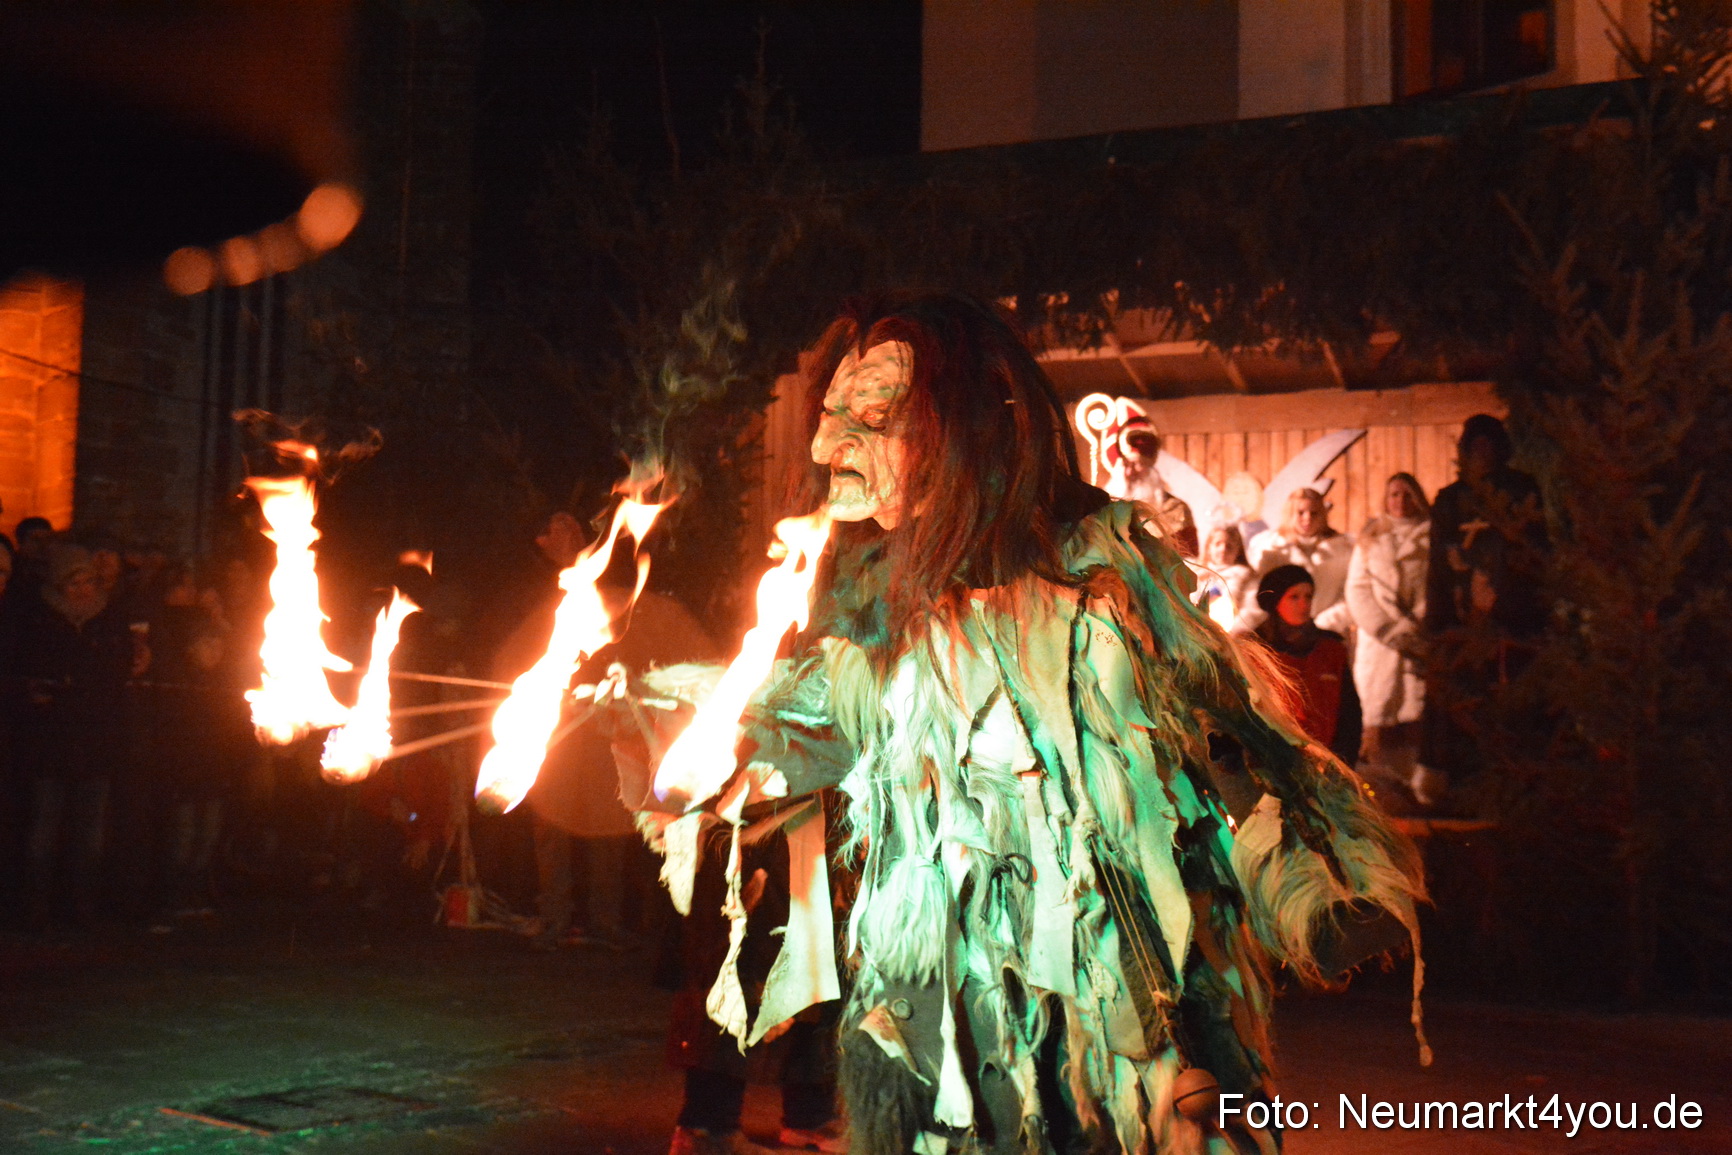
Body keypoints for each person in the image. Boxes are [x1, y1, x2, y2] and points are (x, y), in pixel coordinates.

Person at [628, 292, 1425, 1155]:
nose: (827, 447)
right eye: (828, 417)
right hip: (941, 1011)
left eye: (871, 418)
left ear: (963, 428)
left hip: (1109, 1005)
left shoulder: (1094, 581)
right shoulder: (876, 606)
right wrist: (694, 732)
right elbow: (826, 727)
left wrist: (1308, 873)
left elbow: (1219, 730)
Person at [2, 543, 143, 927]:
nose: (83, 589)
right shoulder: (38, 620)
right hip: (49, 745)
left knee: (90, 832)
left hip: (95, 744)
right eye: (74, 581)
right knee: (43, 831)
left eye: (88, 580)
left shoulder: (108, 620)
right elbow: (25, 675)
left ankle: (82, 909)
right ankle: (35, 910)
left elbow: (116, 677)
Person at [1346, 474, 1430, 804]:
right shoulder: (1371, 538)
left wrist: (1414, 625)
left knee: (1415, 717)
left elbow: (1435, 586)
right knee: (1380, 719)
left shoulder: (1433, 537)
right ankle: (1383, 797)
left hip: (1417, 639)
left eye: (1407, 494)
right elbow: (1357, 588)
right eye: (1393, 494)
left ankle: (1418, 795)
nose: (1400, 501)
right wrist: (1386, 629)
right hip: (1380, 643)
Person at [1249, 565, 1362, 767]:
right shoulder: (1256, 651)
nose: (1304, 604)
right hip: (1275, 763)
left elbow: (1349, 711)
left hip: (1328, 763)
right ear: (1276, 602)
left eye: (1308, 596)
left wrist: (1344, 760)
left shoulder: (1331, 649)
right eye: (1294, 597)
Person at [1247, 487, 1354, 635]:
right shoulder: (1269, 547)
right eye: (1301, 512)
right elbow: (1257, 593)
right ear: (1290, 513)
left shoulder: (1344, 549)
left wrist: (1325, 623)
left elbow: (1350, 594)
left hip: (1329, 633)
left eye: (1314, 513)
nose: (1307, 518)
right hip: (1280, 634)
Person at [1104, 414, 1199, 557]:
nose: (1129, 472)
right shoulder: (1103, 512)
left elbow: (1189, 561)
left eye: (1138, 464)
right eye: (1125, 465)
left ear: (1151, 469)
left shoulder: (1178, 510)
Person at [1192, 522, 1255, 630]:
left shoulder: (1246, 578)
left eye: (1229, 546)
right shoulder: (1195, 574)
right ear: (1209, 548)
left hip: (1228, 634)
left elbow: (1250, 612)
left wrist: (1229, 635)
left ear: (1238, 551)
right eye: (1218, 544)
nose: (1223, 549)